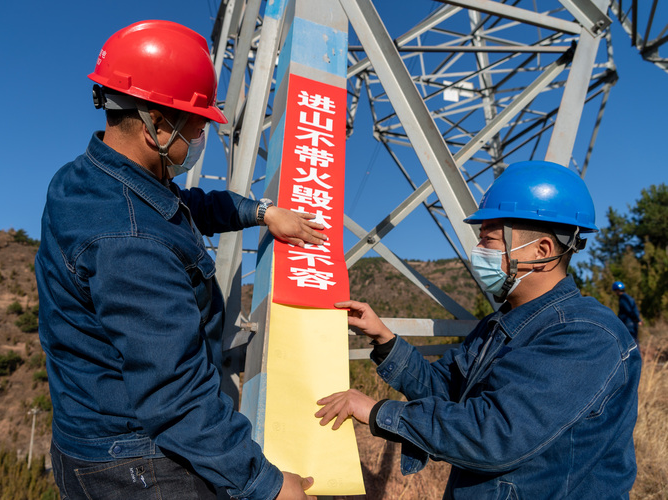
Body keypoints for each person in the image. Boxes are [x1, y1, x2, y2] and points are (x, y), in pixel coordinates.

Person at [35, 20, 321, 500]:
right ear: (156, 125)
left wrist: (264, 212)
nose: (203, 134)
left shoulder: (86, 180)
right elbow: (175, 397)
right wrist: (266, 485)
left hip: (82, 440)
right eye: (198, 123)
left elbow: (186, 209)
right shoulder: (131, 241)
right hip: (138, 466)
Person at [316, 161, 641, 499]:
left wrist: (378, 411)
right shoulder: (498, 325)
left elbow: (496, 434)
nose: (478, 252)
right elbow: (443, 390)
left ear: (541, 251)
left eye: (489, 240)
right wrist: (384, 339)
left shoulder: (586, 336)